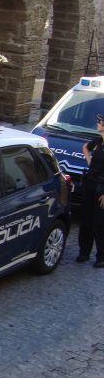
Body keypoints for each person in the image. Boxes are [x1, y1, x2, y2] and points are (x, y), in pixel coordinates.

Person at [77, 114, 104, 268]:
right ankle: (84, 252)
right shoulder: (99, 141)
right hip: (90, 184)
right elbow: (85, 148)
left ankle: (101, 256)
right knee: (86, 219)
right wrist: (91, 165)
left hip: (102, 188)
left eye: (100, 121)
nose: (98, 123)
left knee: (99, 223)